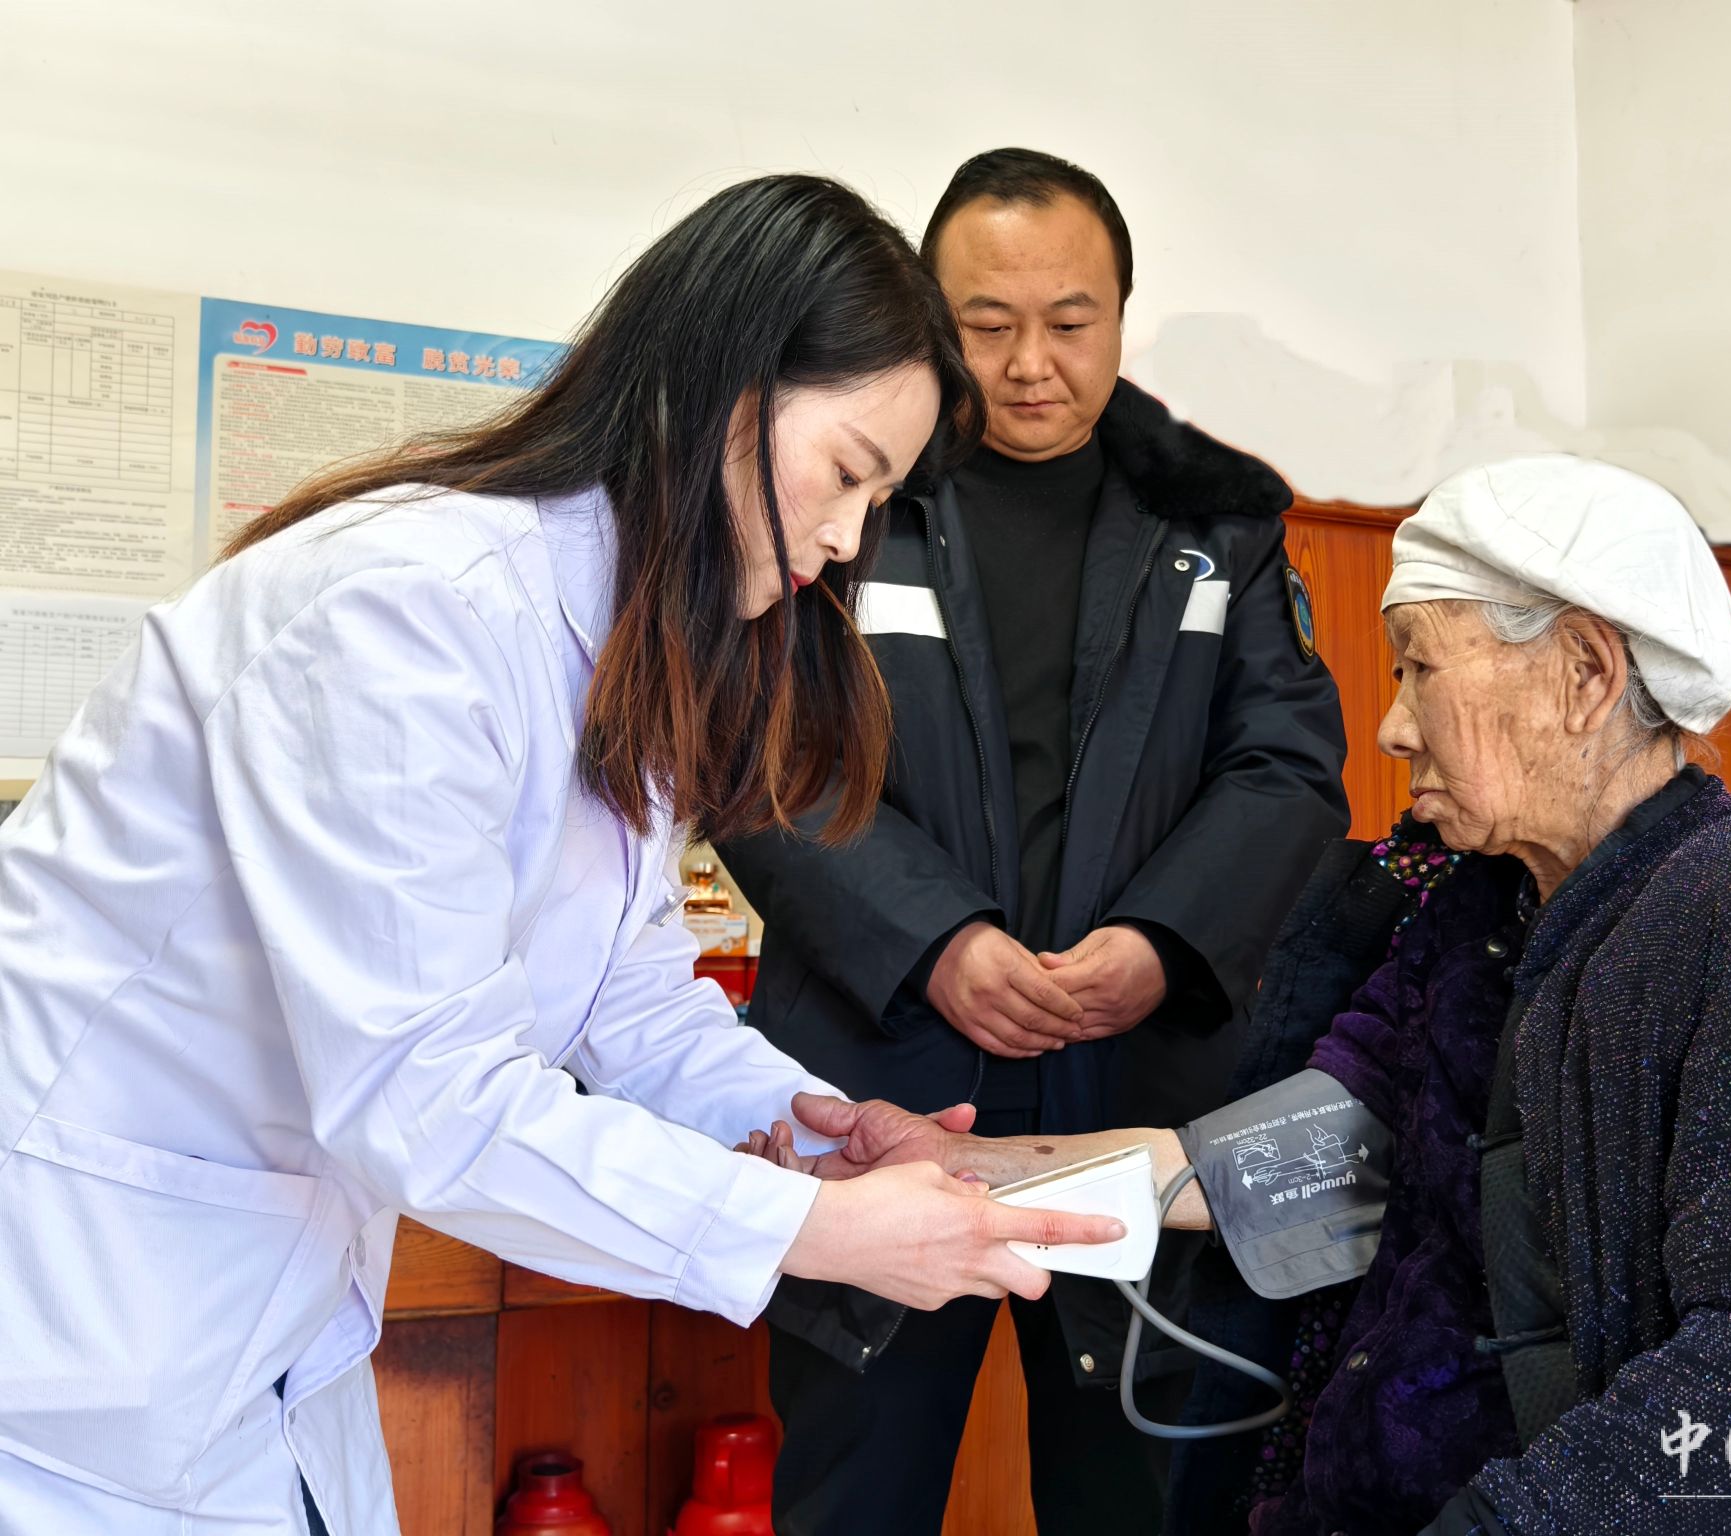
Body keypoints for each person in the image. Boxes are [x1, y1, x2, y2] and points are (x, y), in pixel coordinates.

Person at [0, 175, 1127, 1536]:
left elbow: (627, 999)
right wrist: (812, 1233)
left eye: (876, 498)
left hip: (249, 1329)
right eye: (844, 474)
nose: (844, 541)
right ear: (724, 392)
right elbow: (427, 1096)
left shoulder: (622, 635)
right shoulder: (407, 614)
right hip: (70, 1323)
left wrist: (818, 1128)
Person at [750, 455, 1731, 1532]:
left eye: (1420, 668)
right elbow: (1290, 1170)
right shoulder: (1476, 924)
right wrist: (964, 1173)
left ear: (1586, 673)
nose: (1390, 728)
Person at [717, 148, 1349, 1535]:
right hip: (887, 1093)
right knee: (854, 1497)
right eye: (985, 325)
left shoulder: (1218, 523)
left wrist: (1162, 942)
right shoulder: (852, 491)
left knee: (1144, 1495)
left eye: (1070, 322)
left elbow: (1290, 768)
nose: (1029, 366)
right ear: (927, 319)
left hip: (1139, 1096)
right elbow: (758, 757)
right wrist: (934, 941)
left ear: (1121, 313)